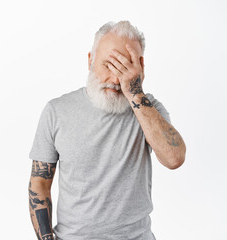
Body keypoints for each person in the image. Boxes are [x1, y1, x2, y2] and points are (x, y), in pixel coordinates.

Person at [28, 20, 186, 240]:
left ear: (140, 67)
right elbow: (39, 184)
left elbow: (174, 159)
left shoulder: (149, 110)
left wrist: (134, 93)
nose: (115, 79)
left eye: (124, 68)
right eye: (108, 65)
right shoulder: (56, 111)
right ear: (90, 60)